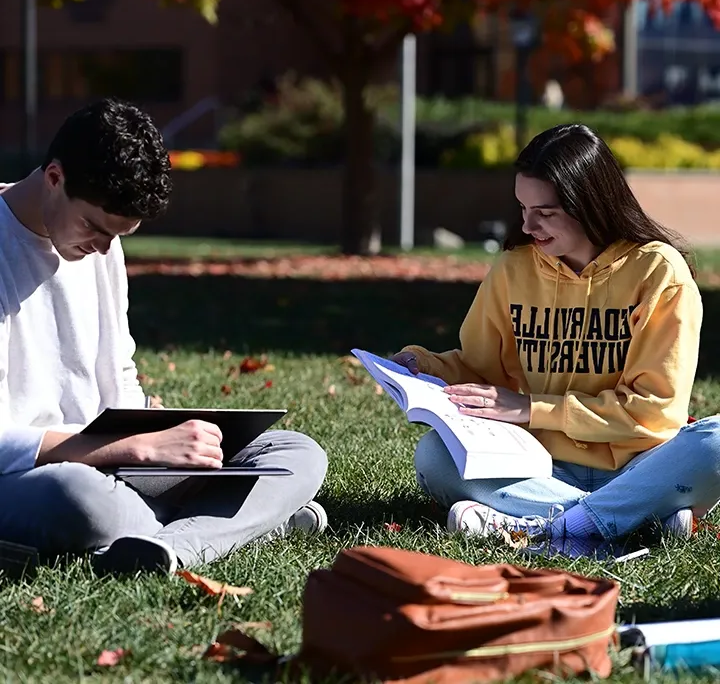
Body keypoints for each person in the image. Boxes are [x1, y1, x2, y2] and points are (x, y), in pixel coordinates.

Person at [0, 98, 328, 576]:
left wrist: (150, 430)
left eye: (119, 235)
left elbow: (118, 370)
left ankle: (171, 544)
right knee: (80, 501)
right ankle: (235, 525)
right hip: (37, 475)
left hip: (114, 464)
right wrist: (132, 449)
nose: (104, 248)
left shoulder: (100, 249)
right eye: (95, 227)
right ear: (55, 178)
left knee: (296, 453)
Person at [393, 123, 720, 559]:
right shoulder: (515, 269)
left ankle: (540, 523)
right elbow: (482, 368)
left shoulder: (658, 273)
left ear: (589, 204)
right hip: (538, 463)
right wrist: (421, 366)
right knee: (435, 455)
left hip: (640, 465)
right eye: (522, 208)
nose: (527, 225)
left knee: (715, 441)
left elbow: (653, 411)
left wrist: (531, 408)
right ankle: (636, 518)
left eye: (544, 212)